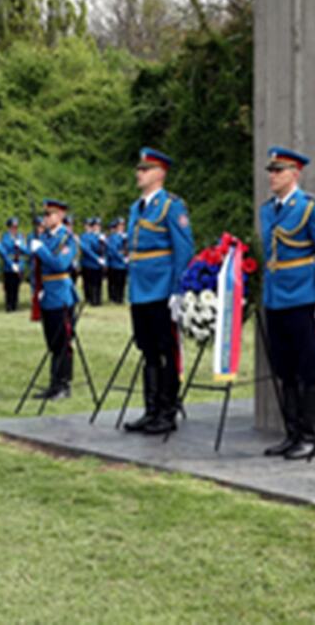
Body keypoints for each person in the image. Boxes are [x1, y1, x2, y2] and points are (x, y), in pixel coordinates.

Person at [260, 146, 315, 460]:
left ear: (295, 174)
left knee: (310, 367)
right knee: (285, 368)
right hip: (276, 298)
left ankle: (309, 436)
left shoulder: (311, 208)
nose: (272, 176)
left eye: (278, 171)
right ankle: (291, 433)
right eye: (270, 170)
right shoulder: (268, 210)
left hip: (305, 297)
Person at [123, 147, 195, 435]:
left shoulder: (171, 206)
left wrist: (179, 290)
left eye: (145, 169)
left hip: (162, 289)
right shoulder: (135, 208)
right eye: (139, 168)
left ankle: (167, 410)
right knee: (148, 350)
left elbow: (184, 249)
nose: (139, 174)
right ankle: (151, 409)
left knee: (166, 350)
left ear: (160, 174)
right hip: (140, 290)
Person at [27, 199, 78, 401]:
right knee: (52, 343)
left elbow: (60, 264)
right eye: (45, 215)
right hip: (47, 294)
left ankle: (63, 385)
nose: (45, 218)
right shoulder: (45, 237)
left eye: (49, 215)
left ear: (60, 216)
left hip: (61, 295)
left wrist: (40, 249)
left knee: (63, 341)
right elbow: (35, 266)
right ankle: (53, 384)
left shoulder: (68, 239)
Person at [1, 217, 27, 313]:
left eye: (16, 227)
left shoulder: (20, 237)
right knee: (9, 287)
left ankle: (15, 305)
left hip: (19, 264)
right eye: (12, 227)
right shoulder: (5, 238)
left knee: (16, 286)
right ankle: (9, 305)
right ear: (9, 228)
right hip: (9, 265)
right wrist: (11, 264)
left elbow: (25, 251)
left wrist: (20, 245)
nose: (14, 229)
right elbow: (4, 253)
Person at [79, 217, 107, 306]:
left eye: (98, 226)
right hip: (90, 264)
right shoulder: (87, 236)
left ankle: (98, 299)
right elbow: (87, 250)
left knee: (98, 283)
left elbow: (105, 250)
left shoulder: (101, 236)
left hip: (99, 264)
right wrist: (97, 258)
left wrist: (104, 241)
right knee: (90, 283)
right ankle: (92, 300)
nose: (97, 227)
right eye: (95, 226)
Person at [105, 218, 129, 304]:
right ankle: (114, 298)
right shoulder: (113, 237)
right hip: (115, 264)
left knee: (122, 282)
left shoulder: (126, 236)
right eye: (120, 225)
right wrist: (122, 257)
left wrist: (127, 256)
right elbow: (113, 250)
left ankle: (120, 298)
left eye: (123, 225)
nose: (122, 227)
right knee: (114, 282)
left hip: (123, 264)